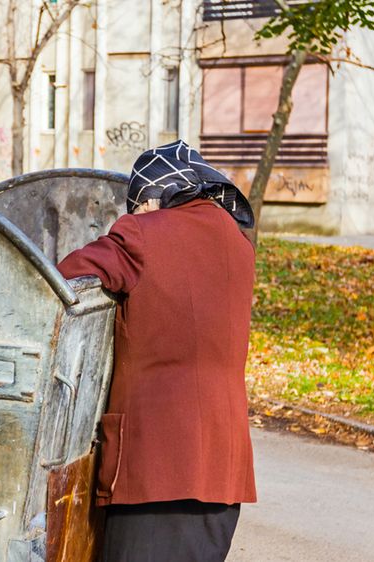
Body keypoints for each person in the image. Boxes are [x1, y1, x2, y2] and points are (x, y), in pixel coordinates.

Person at [56, 140, 257, 562]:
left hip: (155, 472)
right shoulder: (239, 244)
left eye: (136, 204)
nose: (134, 214)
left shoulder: (141, 234)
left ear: (155, 195)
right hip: (223, 474)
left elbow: (64, 277)